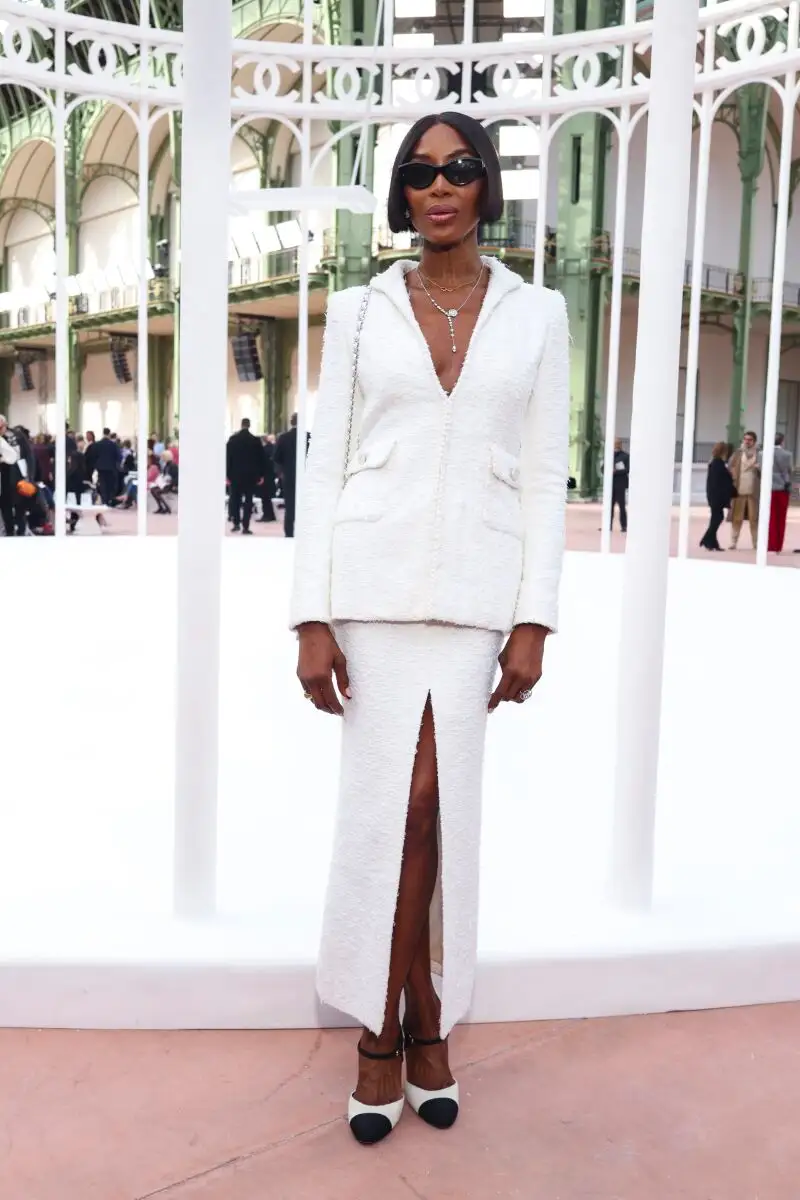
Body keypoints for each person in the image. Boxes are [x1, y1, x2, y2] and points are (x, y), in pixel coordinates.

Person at [288, 112, 569, 1145]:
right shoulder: (360, 311)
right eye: (418, 172)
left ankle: (402, 1023)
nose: (437, 186)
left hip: (475, 604)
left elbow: (543, 471)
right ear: (399, 194)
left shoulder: (538, 315)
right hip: (367, 589)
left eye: (457, 170)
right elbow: (325, 463)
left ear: (486, 186)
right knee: (392, 814)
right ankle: (399, 1031)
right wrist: (309, 614)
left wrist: (533, 616)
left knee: (435, 812)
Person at [226, 418, 264, 535]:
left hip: (235, 476)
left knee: (235, 500)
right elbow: (260, 459)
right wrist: (260, 475)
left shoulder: (233, 440)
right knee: (248, 500)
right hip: (250, 476)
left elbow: (228, 459)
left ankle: (236, 523)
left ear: (241, 425)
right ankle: (246, 526)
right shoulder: (255, 440)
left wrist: (227, 474)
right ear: (249, 425)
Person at [273, 414, 308, 537]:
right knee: (306, 505)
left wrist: (280, 473)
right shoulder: (308, 436)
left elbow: (276, 458)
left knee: (289, 505)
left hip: (288, 476)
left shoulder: (283, 438)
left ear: (291, 422)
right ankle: (305, 532)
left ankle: (289, 533)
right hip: (305, 476)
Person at [728, 430, 760, 549]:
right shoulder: (738, 453)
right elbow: (730, 466)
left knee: (754, 519)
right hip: (739, 490)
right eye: (745, 439)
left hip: (754, 492)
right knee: (737, 518)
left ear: (754, 441)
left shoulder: (759, 454)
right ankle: (733, 542)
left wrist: (759, 468)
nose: (747, 442)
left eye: (750, 440)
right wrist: (733, 475)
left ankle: (756, 543)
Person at [700, 442, 734, 551]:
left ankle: (712, 543)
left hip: (714, 496)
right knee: (717, 518)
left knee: (715, 518)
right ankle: (706, 539)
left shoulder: (715, 463)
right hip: (717, 497)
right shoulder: (718, 464)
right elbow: (721, 482)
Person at [767, 432, 793, 553]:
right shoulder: (787, 454)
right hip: (782, 488)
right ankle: (778, 545)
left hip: (768, 489)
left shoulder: (763, 454)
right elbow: (789, 470)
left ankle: (769, 544)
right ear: (782, 441)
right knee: (781, 518)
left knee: (769, 517)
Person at [93, 428, 121, 507]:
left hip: (100, 467)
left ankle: (104, 499)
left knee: (102, 483)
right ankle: (109, 499)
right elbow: (118, 456)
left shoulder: (98, 444)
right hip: (111, 467)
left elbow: (94, 456)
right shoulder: (113, 444)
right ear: (109, 434)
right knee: (110, 484)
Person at [610, 437, 630, 533]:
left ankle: (624, 526)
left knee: (622, 506)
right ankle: (608, 525)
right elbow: (603, 467)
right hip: (611, 483)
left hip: (620, 484)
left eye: (618, 443)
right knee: (609, 506)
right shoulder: (609, 455)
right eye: (615, 443)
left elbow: (627, 469)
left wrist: (616, 471)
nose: (616, 445)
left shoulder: (625, 456)